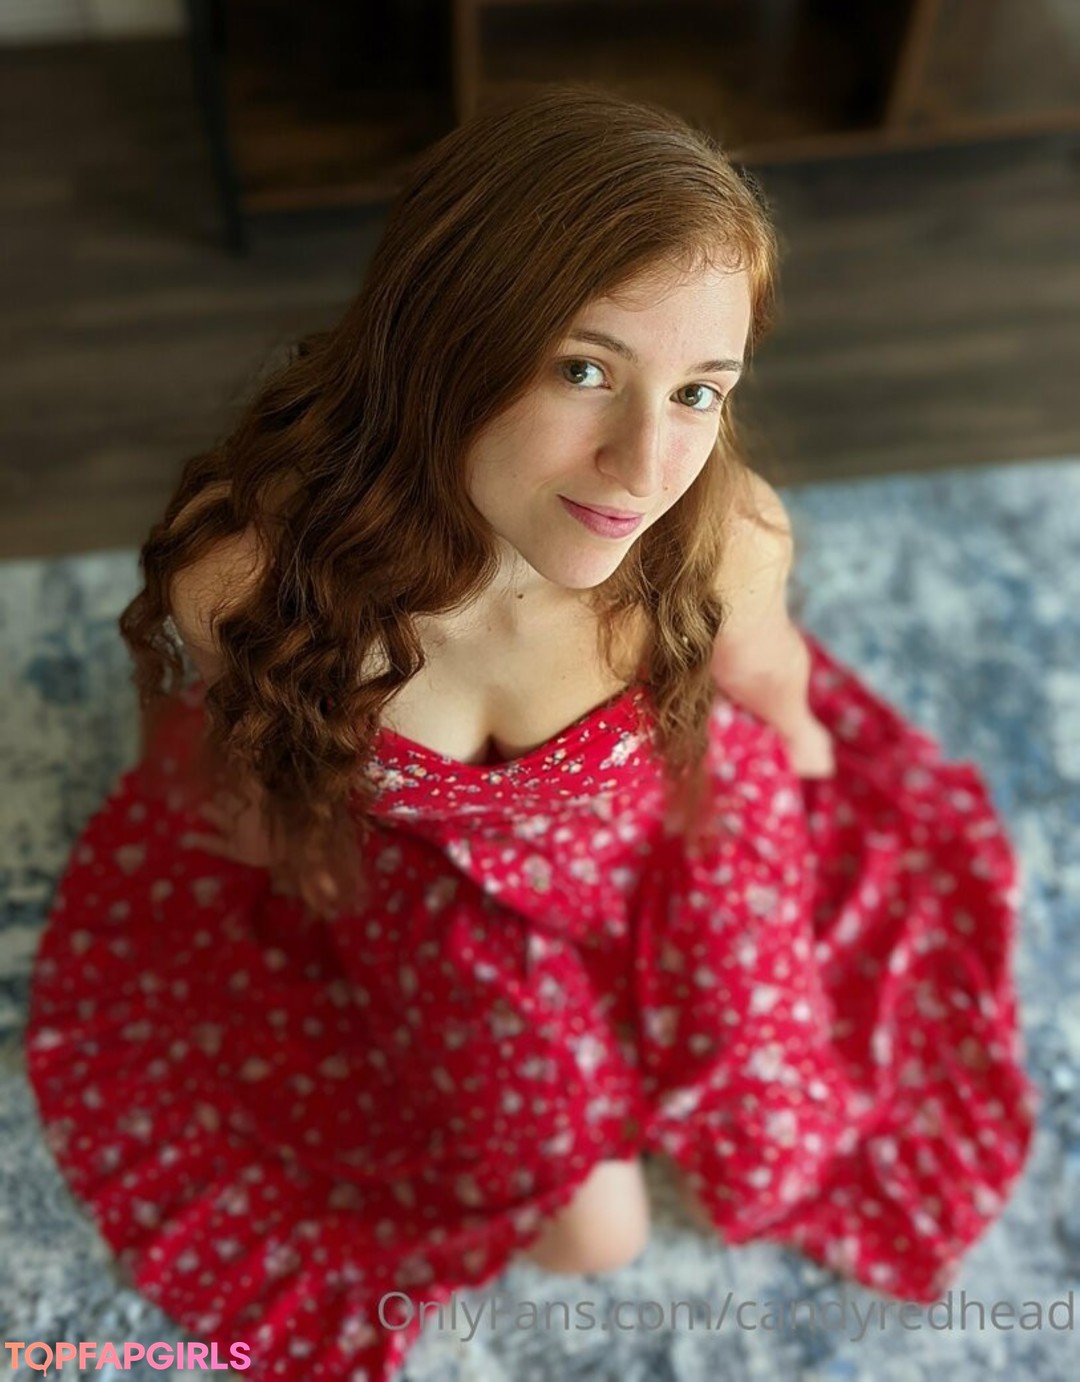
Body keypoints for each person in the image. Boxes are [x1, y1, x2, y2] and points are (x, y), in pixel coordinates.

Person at [26, 85, 1037, 1380]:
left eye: (699, 391)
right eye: (584, 370)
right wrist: (283, 831)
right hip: (436, 882)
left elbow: (770, 677)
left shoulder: (722, 539)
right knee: (593, 1237)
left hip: (670, 828)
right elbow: (252, 721)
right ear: (442, 337)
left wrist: (805, 757)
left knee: (777, 1158)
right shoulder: (254, 573)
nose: (644, 467)